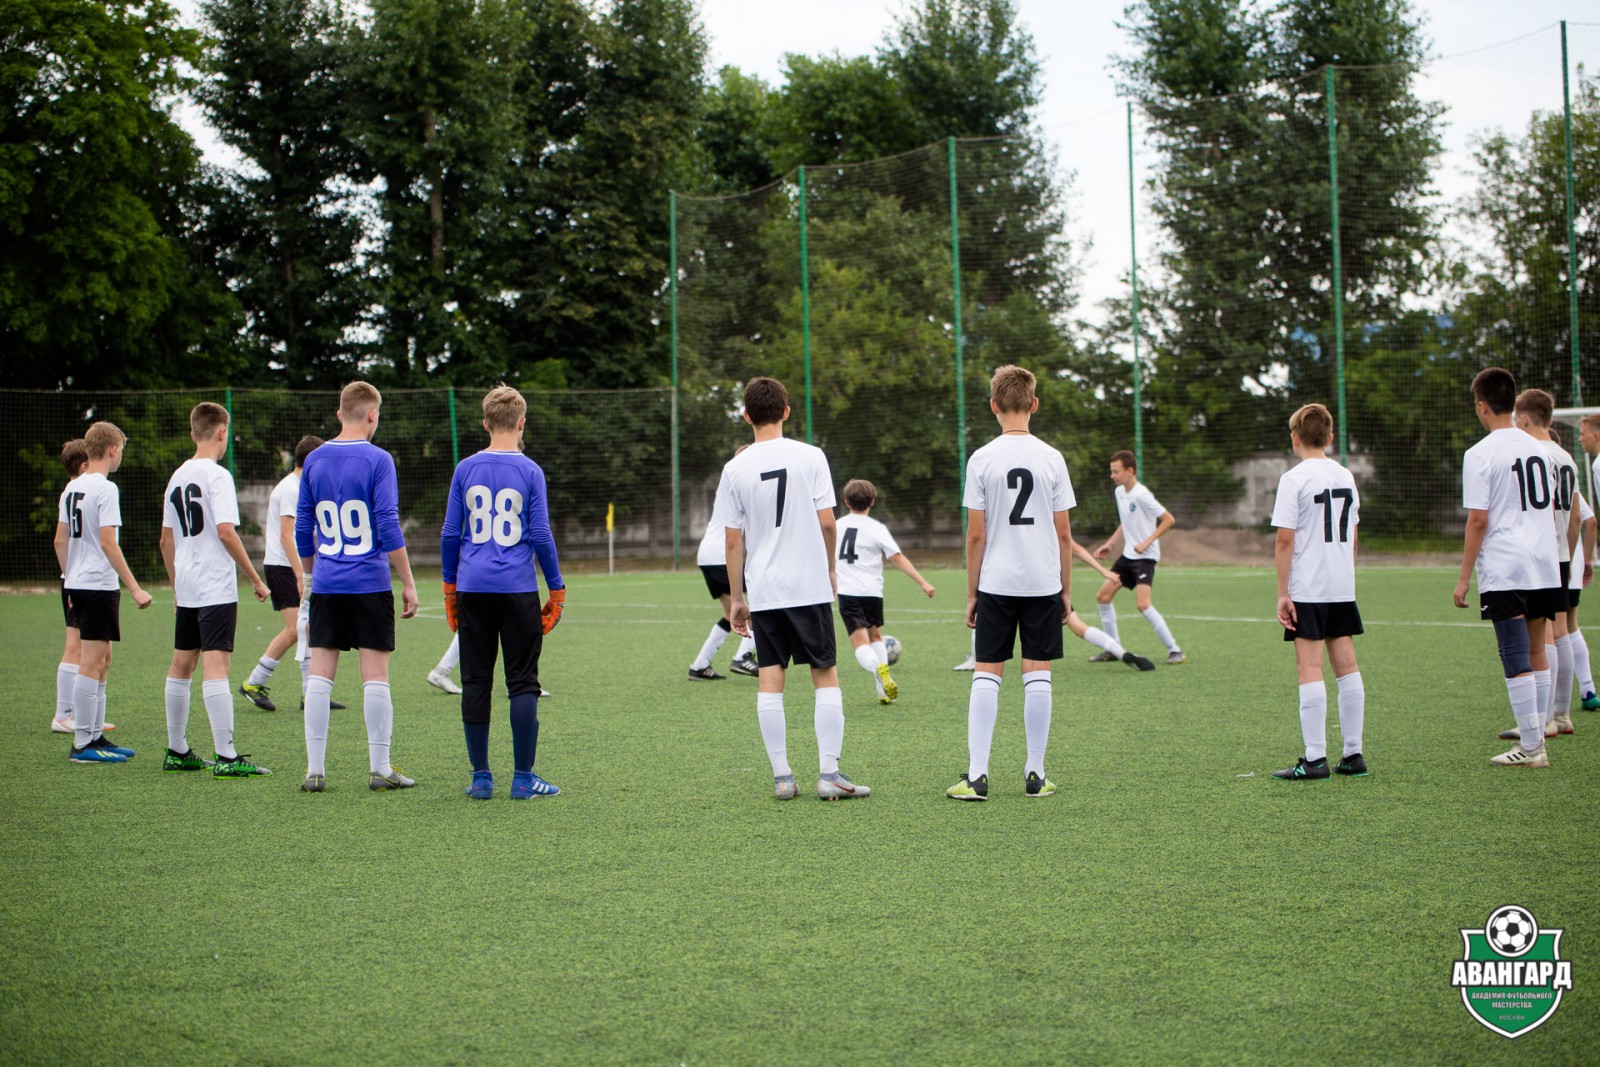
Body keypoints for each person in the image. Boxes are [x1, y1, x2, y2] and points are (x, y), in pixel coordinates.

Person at [719, 376, 869, 800]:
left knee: (770, 680)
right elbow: (826, 522)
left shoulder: (735, 468)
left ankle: (783, 778)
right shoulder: (811, 456)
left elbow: (733, 540)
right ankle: (829, 775)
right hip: (808, 586)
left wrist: (738, 598)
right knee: (825, 675)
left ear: (746, 416)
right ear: (786, 412)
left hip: (765, 590)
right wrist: (830, 570)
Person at [947, 364, 1074, 801]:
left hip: (996, 581)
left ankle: (977, 777)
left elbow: (976, 534)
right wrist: (1066, 590)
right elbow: (1063, 535)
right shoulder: (1052, 457)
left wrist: (971, 593)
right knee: (1038, 672)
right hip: (1042, 580)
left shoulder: (981, 458)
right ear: (1034, 404)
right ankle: (1035, 776)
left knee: (987, 672)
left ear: (993, 406)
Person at [440, 385, 565, 800]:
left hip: (473, 588)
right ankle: (523, 778)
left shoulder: (465, 469)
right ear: (522, 422)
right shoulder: (530, 471)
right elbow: (541, 535)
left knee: (475, 680)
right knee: (523, 682)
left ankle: (481, 778)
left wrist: (448, 588)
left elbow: (450, 533)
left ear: (486, 423)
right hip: (517, 589)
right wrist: (557, 587)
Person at [295, 381, 421, 792]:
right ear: (372, 415)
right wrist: (407, 580)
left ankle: (315, 770)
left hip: (329, 583)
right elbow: (386, 521)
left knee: (319, 674)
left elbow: (303, 527)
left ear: (339, 414)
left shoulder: (313, 460)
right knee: (375, 676)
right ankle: (380, 768)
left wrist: (312, 576)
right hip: (368, 582)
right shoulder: (379, 459)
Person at [1452, 367, 1562, 768]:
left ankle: (1532, 748)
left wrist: (1464, 578)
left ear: (1482, 406)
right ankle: (1540, 734)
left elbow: (1478, 520)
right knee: (1538, 648)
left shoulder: (1480, 453)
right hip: (1544, 562)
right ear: (1512, 403)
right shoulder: (1541, 447)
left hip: (1507, 565)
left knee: (1514, 652)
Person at [159, 402, 274, 777]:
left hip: (188, 584)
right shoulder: (218, 475)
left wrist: (177, 588)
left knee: (181, 664)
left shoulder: (176, 476)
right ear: (222, 433)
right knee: (216, 665)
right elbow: (226, 531)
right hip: (214, 585)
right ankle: (226, 757)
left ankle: (177, 750)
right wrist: (255, 578)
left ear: (193, 433)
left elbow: (165, 541)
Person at [1268, 403, 1368, 781]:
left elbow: (1283, 542)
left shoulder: (1293, 479)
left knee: (1309, 667)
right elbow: (1353, 535)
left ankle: (1314, 759)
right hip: (1340, 585)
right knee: (1347, 666)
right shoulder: (1346, 475)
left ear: (1294, 438)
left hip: (1308, 587)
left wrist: (1283, 592)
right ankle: (1354, 753)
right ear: (1329, 438)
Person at [58, 421, 153, 763]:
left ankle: (95, 735)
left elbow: (60, 539)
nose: (120, 457)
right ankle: (83, 744)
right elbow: (108, 542)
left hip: (80, 583)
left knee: (103, 660)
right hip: (97, 584)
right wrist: (135, 587)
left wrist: (68, 579)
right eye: (121, 451)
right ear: (112, 449)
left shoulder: (72, 488)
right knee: (92, 661)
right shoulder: (105, 488)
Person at [240, 436, 335, 712]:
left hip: (291, 566)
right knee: (297, 628)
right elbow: (286, 536)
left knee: (307, 627)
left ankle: (310, 695)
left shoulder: (300, 486)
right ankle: (254, 683)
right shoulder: (292, 489)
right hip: (284, 567)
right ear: (312, 461)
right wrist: (299, 573)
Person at [1509, 390, 1580, 742]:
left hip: (1541, 553)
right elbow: (1576, 513)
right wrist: (1567, 550)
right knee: (1562, 630)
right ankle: (1560, 713)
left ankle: (1543, 718)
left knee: (1545, 635)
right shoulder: (1566, 455)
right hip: (1561, 551)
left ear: (1524, 418)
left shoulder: (1536, 454)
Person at [834, 478, 936, 704]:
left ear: (846, 501)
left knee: (860, 644)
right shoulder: (876, 528)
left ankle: (877, 667)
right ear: (872, 501)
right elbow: (896, 557)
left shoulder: (837, 526)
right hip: (872, 593)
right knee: (876, 636)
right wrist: (923, 582)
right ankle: (882, 692)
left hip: (848, 593)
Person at [1092, 450, 1185, 665]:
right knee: (1103, 597)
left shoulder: (1142, 495)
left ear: (1130, 471)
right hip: (1127, 556)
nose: (1112, 476)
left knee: (1143, 605)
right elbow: (1126, 522)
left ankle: (1175, 650)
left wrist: (1147, 541)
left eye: (1116, 472)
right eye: (1111, 472)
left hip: (1145, 558)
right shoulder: (1119, 493)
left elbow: (1168, 519)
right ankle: (1113, 649)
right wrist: (1110, 544)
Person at [49, 439, 116, 735]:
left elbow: (60, 540)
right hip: (83, 581)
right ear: (83, 465)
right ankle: (65, 714)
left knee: (98, 653)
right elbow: (61, 540)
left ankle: (86, 720)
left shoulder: (72, 492)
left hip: (75, 579)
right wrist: (71, 575)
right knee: (76, 648)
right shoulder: (89, 489)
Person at [687, 510, 759, 680]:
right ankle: (743, 656)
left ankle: (700, 666)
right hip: (722, 557)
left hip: (706, 556)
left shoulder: (728, 490)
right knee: (763, 604)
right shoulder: (743, 486)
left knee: (729, 614)